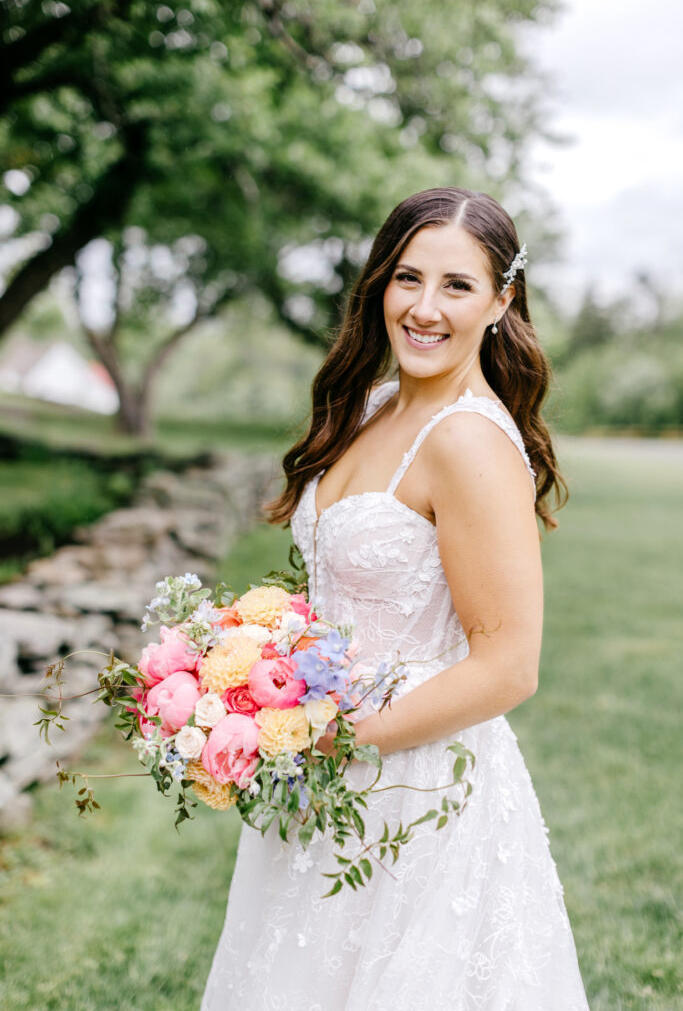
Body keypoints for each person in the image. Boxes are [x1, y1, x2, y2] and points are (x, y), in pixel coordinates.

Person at [200, 187, 590, 1010]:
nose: (422, 307)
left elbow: (508, 667)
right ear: (379, 282)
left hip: (413, 788)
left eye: (456, 285)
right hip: (321, 775)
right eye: (406, 278)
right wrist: (253, 676)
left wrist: (332, 741)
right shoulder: (373, 406)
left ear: (500, 300)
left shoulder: (468, 443)